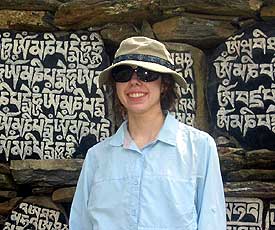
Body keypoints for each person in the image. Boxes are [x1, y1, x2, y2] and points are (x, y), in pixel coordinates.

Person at [69, 36, 226, 230]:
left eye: (146, 74)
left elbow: (212, 223)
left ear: (165, 84)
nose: (134, 82)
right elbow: (80, 224)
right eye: (124, 73)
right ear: (115, 85)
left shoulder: (200, 148)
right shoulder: (97, 157)